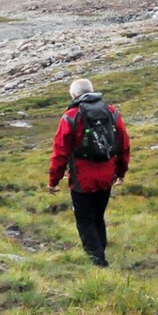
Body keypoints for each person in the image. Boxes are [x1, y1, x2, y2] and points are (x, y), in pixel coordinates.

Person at [48, 77, 131, 267]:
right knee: (98, 215)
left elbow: (60, 153)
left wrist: (53, 180)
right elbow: (124, 145)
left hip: (82, 179)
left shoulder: (70, 116)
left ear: (73, 95)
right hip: (106, 176)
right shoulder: (111, 113)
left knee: (85, 220)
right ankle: (100, 252)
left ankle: (98, 263)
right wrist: (120, 172)